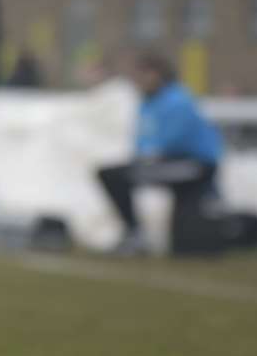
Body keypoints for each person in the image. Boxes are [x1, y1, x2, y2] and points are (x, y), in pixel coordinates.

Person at [95, 53, 224, 256]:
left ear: (158, 75)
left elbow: (172, 140)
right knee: (111, 174)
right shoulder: (147, 103)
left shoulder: (178, 100)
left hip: (195, 164)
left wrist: (148, 156)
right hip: (168, 162)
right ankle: (133, 233)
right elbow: (143, 140)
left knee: (120, 176)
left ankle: (135, 235)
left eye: (145, 74)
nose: (140, 80)